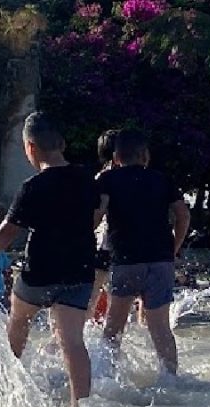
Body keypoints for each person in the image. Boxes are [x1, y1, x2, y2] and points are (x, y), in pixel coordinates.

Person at [0, 112, 98, 407]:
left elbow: (5, 234)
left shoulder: (33, 186)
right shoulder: (87, 179)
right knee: (72, 340)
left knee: (19, 319)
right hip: (80, 269)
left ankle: (9, 387)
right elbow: (96, 215)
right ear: (61, 143)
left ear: (30, 148)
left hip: (40, 271)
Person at [96, 129, 191, 375]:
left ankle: (105, 377)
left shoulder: (107, 180)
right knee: (160, 328)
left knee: (113, 327)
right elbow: (183, 214)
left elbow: (97, 215)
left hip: (125, 260)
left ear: (116, 157)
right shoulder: (162, 179)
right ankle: (171, 380)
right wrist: (174, 247)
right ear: (145, 155)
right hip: (160, 260)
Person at [88, 129, 120, 323]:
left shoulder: (102, 177)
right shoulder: (133, 177)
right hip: (118, 245)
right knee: (120, 301)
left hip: (105, 243)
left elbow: (96, 214)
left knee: (91, 297)